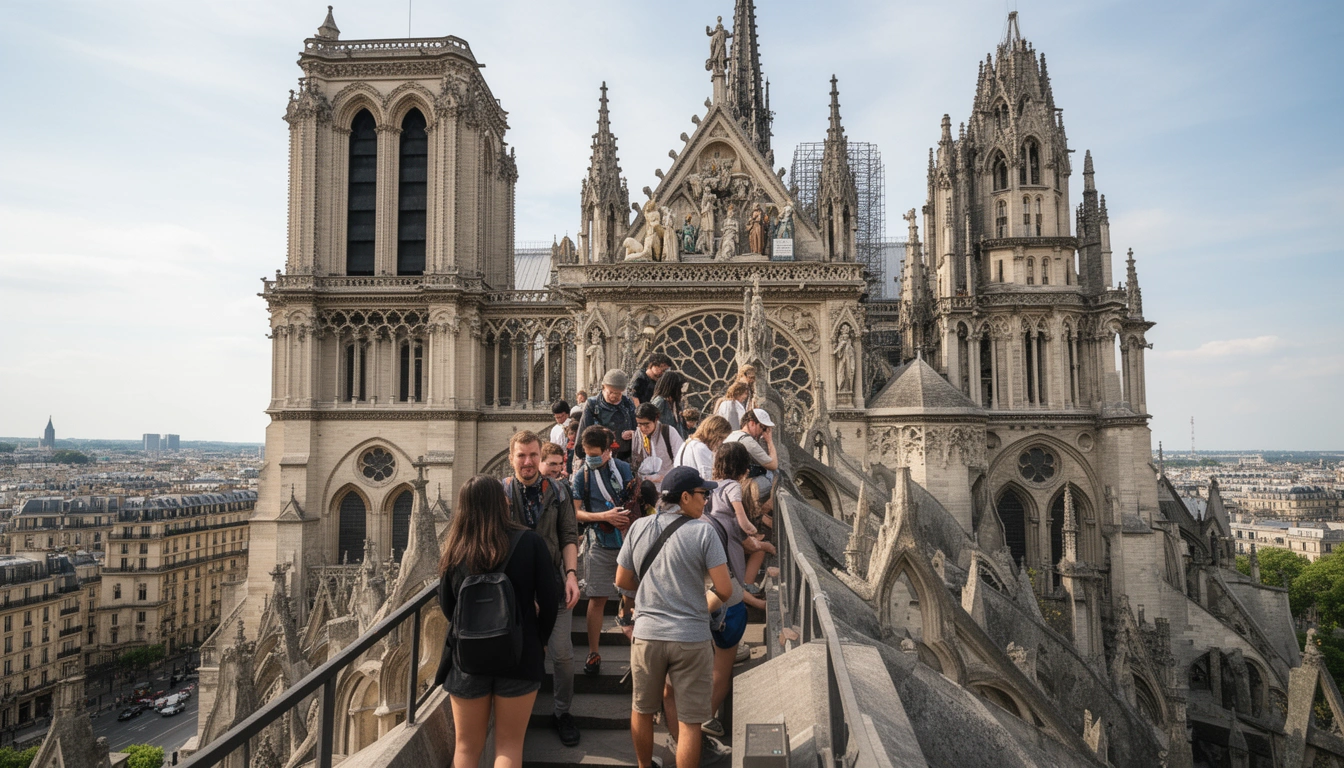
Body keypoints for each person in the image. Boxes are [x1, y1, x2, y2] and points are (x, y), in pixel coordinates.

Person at [438, 475, 561, 768]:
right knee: (508, 746)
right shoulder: (530, 541)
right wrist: (538, 640)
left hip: (468, 658)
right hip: (519, 655)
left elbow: (447, 606)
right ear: (501, 502)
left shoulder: (455, 548)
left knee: (466, 748)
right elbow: (550, 599)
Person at [615, 466, 733, 768]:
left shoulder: (639, 527)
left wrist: (652, 592)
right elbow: (724, 589)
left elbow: (623, 581)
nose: (705, 500)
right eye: (702, 494)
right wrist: (699, 606)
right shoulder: (704, 531)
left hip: (648, 634)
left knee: (641, 710)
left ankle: (644, 766)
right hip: (690, 639)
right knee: (691, 721)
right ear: (684, 497)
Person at [500, 432, 582, 746]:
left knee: (561, 655)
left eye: (533, 455)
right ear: (512, 459)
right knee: (519, 653)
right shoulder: (502, 493)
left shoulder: (559, 490)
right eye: (521, 456)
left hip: (554, 586)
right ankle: (516, 716)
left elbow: (569, 535)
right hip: (516, 591)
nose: (528, 462)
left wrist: (572, 574)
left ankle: (562, 713)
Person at [703, 443, 758, 737]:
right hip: (728, 583)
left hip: (707, 579)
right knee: (722, 670)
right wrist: (751, 531)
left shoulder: (707, 488)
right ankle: (705, 717)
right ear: (741, 467)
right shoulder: (734, 488)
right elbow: (740, 517)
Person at [572, 426, 635, 677]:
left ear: (609, 451)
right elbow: (575, 512)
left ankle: (637, 652)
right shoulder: (581, 476)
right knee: (597, 599)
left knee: (630, 597)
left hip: (627, 543)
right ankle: (593, 652)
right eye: (587, 454)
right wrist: (603, 516)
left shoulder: (623, 470)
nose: (591, 459)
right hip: (599, 542)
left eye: (596, 454)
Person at [576, 370, 638, 462]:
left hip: (623, 457)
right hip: (599, 456)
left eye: (618, 393)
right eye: (611, 392)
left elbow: (637, 428)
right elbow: (583, 432)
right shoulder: (592, 404)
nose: (614, 396)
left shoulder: (628, 404)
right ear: (604, 387)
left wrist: (633, 433)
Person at [724, 408, 779, 501]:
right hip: (737, 488)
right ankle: (766, 511)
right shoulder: (747, 441)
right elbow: (773, 465)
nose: (763, 432)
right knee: (774, 475)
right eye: (763, 427)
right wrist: (769, 441)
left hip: (727, 483)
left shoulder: (733, 434)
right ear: (752, 423)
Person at [631, 402, 684, 491]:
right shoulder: (637, 434)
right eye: (640, 424)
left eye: (646, 424)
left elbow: (680, 461)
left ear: (656, 419)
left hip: (668, 486)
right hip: (647, 489)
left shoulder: (668, 432)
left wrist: (663, 478)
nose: (643, 428)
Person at [672, 415, 731, 483]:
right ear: (715, 435)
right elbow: (708, 478)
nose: (720, 443)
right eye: (721, 439)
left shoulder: (686, 443)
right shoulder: (701, 448)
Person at [649, 370, 688, 438]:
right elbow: (648, 421)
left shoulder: (675, 404)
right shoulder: (660, 401)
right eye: (681, 387)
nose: (683, 391)